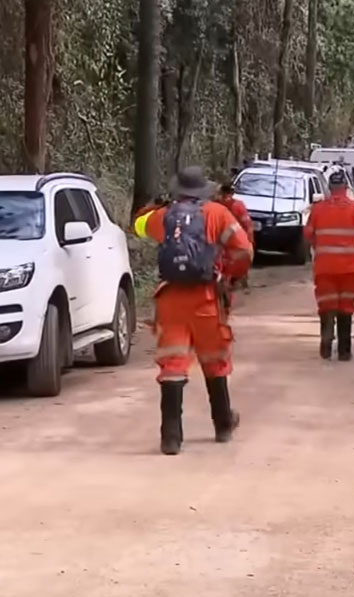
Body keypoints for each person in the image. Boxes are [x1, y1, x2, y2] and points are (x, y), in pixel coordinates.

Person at [133, 166, 253, 455]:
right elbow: (244, 251)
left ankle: (171, 437)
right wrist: (229, 275)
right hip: (207, 299)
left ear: (178, 190)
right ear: (203, 190)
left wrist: (154, 206)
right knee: (215, 360)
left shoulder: (164, 216)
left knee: (173, 365)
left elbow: (136, 224)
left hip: (171, 299)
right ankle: (223, 425)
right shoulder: (217, 213)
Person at [304, 170, 354, 361]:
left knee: (327, 306)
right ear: (346, 188)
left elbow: (308, 235)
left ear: (330, 188)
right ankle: (344, 350)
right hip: (350, 269)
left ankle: (325, 344)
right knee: (346, 308)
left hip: (325, 267)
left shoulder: (318, 209)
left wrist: (320, 245)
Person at [216, 182, 255, 293]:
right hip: (237, 239)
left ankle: (229, 284)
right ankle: (240, 284)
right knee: (240, 262)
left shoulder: (217, 205)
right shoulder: (238, 205)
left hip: (223, 238)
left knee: (224, 264)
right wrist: (250, 240)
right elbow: (247, 223)